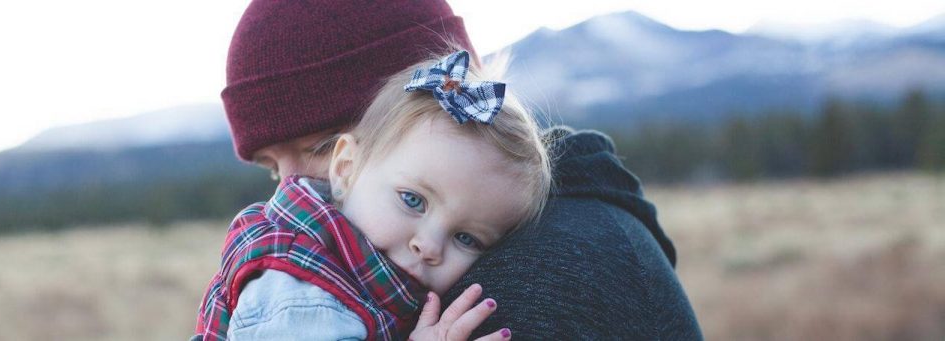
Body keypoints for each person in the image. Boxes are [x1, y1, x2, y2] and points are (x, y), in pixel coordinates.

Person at [211, 0, 702, 339]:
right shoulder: (318, 276)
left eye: (317, 146)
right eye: (273, 170)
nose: (290, 192)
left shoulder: (519, 288)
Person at [195, 50, 550, 340]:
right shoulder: (303, 295)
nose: (428, 247)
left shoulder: (361, 275)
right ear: (346, 167)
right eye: (413, 200)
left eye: (466, 237)